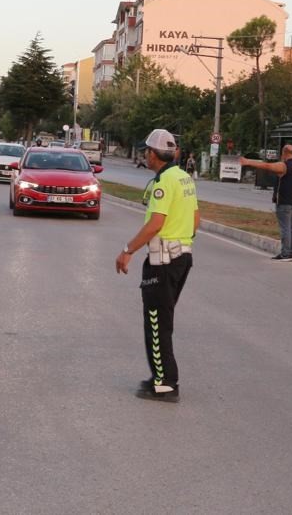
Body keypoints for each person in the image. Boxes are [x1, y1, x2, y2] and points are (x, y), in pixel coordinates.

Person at [115, 128, 199, 403]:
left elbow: (156, 223)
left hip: (163, 261)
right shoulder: (184, 178)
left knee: (156, 323)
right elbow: (196, 220)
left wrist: (128, 250)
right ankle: (160, 376)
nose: (144, 156)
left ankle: (166, 383)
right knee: (163, 320)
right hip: (182, 258)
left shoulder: (164, 183)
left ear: (153, 154)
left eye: (146, 152)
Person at [240, 145, 292, 262]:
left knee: (285, 228)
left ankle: (285, 254)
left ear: (284, 153)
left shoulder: (284, 165)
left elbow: (267, 166)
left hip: (284, 202)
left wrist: (248, 162)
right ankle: (291, 252)